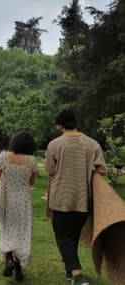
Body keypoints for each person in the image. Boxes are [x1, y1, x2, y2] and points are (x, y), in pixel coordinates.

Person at [45, 109, 107, 285]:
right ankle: (70, 273)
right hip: (83, 200)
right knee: (72, 237)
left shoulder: (55, 144)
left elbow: (49, 170)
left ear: (60, 125)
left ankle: (78, 276)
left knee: (63, 237)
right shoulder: (93, 144)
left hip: (60, 199)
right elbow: (102, 169)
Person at [0, 131, 38, 282]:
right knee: (21, 233)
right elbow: (31, 182)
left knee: (6, 230)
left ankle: (9, 260)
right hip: (24, 202)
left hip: (6, 201)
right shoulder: (32, 160)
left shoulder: (3, 157)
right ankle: (18, 267)